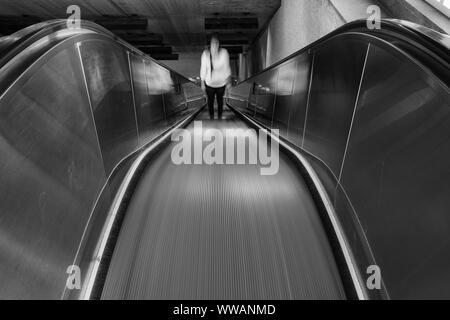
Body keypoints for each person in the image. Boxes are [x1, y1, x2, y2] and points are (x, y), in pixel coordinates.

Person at [200, 34, 231, 120]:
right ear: (210, 43)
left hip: (221, 83)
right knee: (210, 102)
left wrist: (228, 82)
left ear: (219, 44)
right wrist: (202, 83)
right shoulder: (205, 54)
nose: (215, 44)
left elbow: (227, 68)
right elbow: (203, 69)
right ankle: (211, 118)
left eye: (217, 42)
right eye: (213, 42)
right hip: (209, 83)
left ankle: (220, 118)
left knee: (220, 101)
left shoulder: (224, 52)